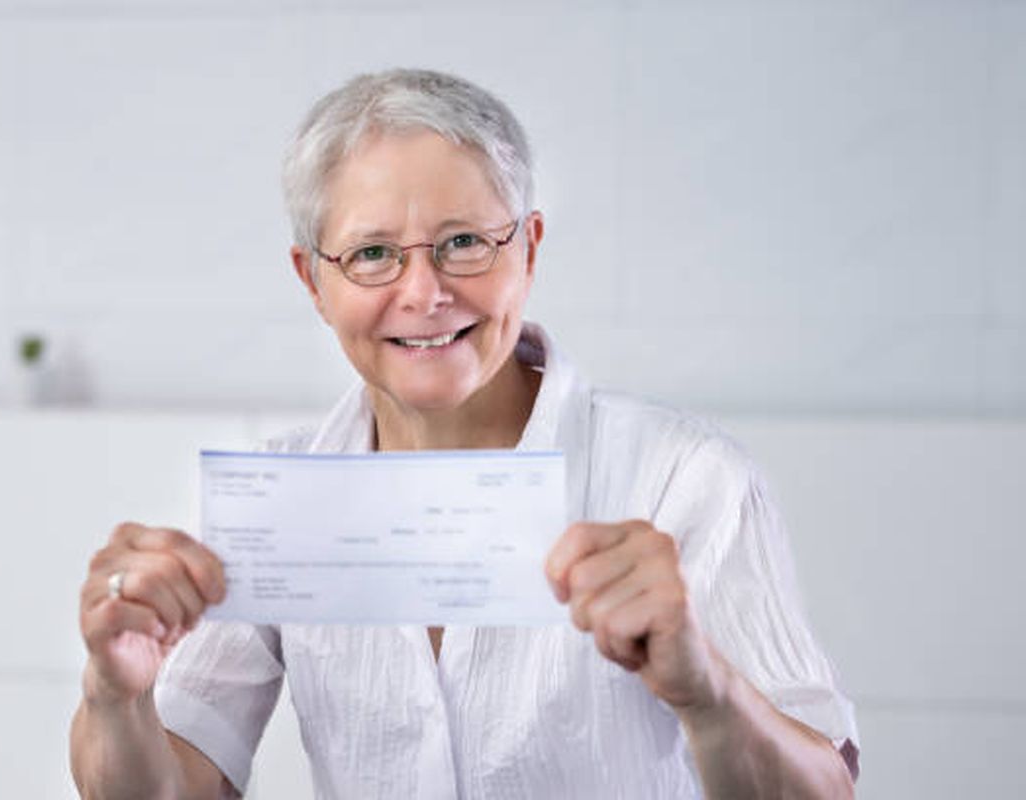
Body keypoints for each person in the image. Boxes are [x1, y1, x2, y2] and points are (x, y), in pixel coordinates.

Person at [70, 68, 859, 799]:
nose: (424, 293)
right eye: (372, 253)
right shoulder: (279, 501)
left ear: (529, 249)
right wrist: (115, 693)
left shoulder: (684, 477)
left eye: (464, 243)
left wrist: (708, 690)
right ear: (314, 280)